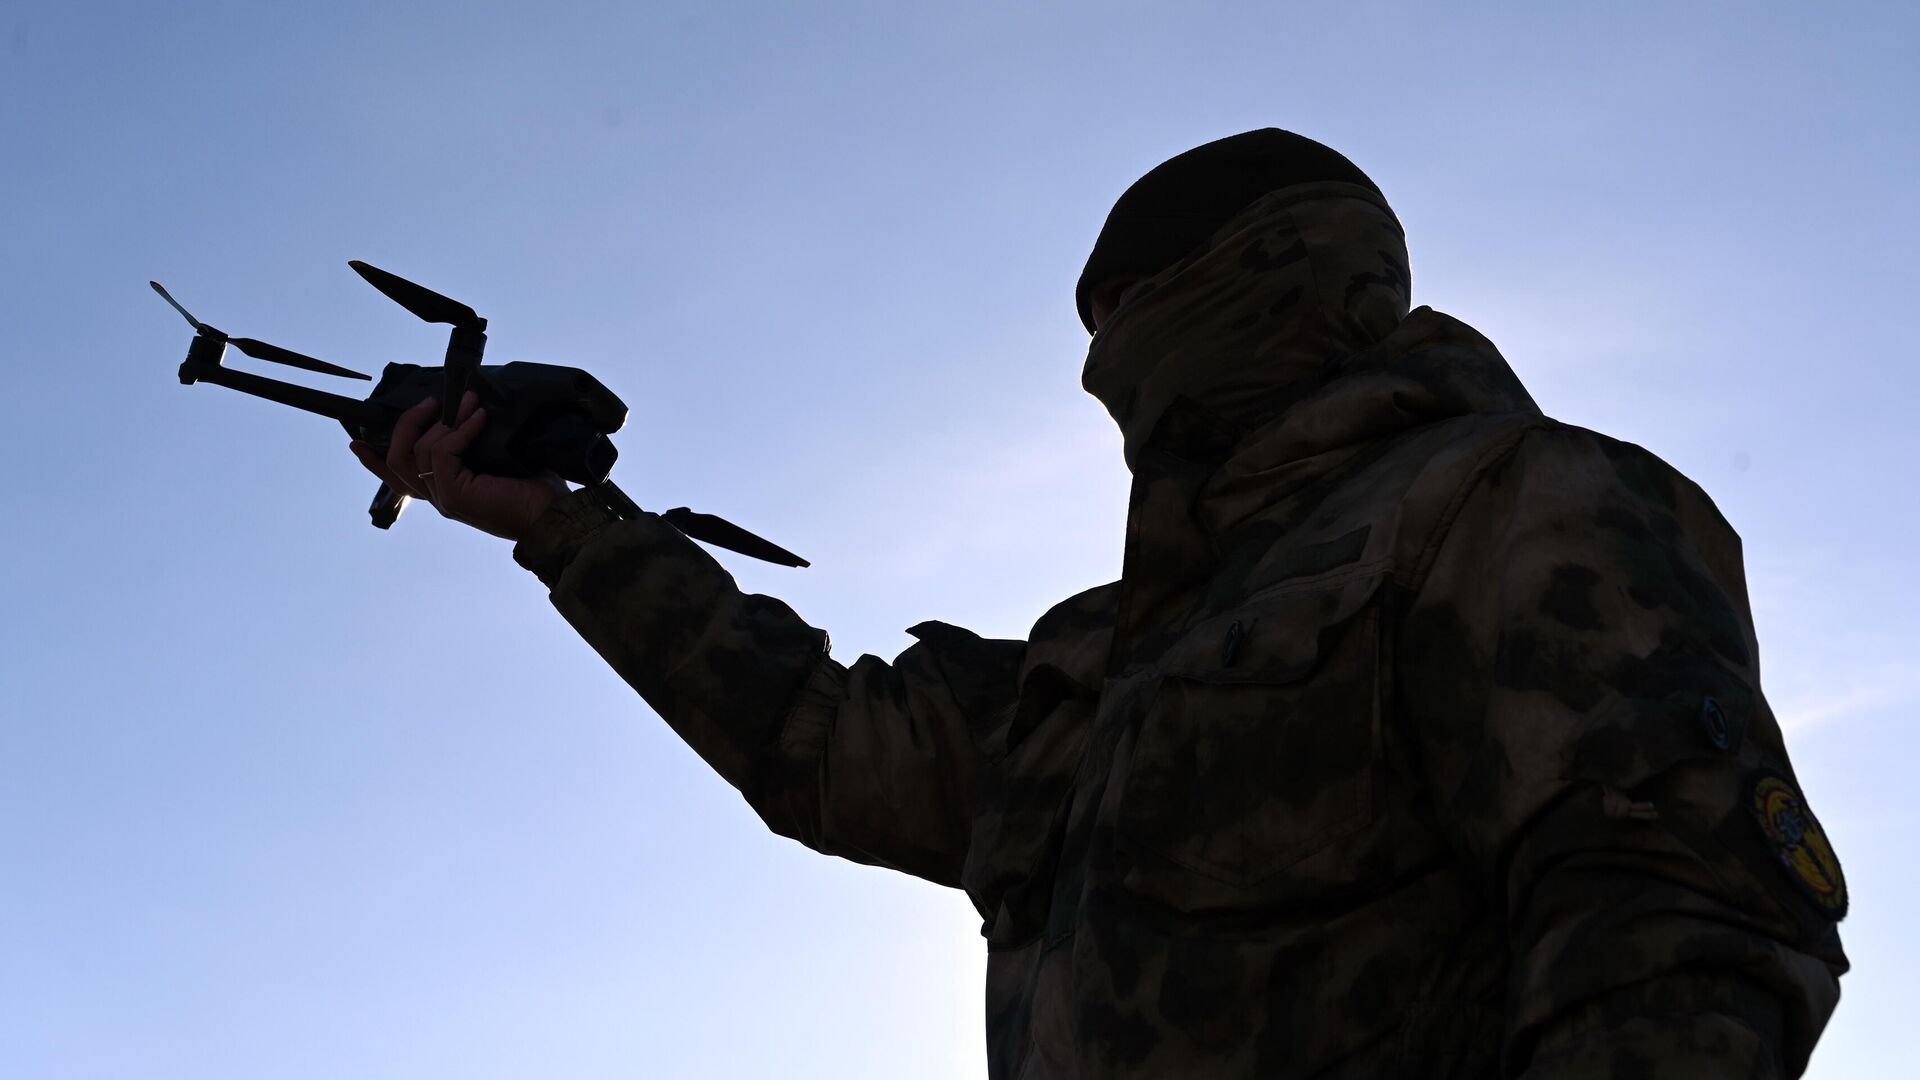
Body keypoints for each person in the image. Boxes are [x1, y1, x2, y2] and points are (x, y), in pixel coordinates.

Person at [352, 129, 1849, 1078]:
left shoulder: (1507, 501)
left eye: (1128, 305)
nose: (1100, 358)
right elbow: (819, 739)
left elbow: (1683, 929)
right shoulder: (1102, 656)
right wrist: (557, 525)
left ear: (1260, 277)